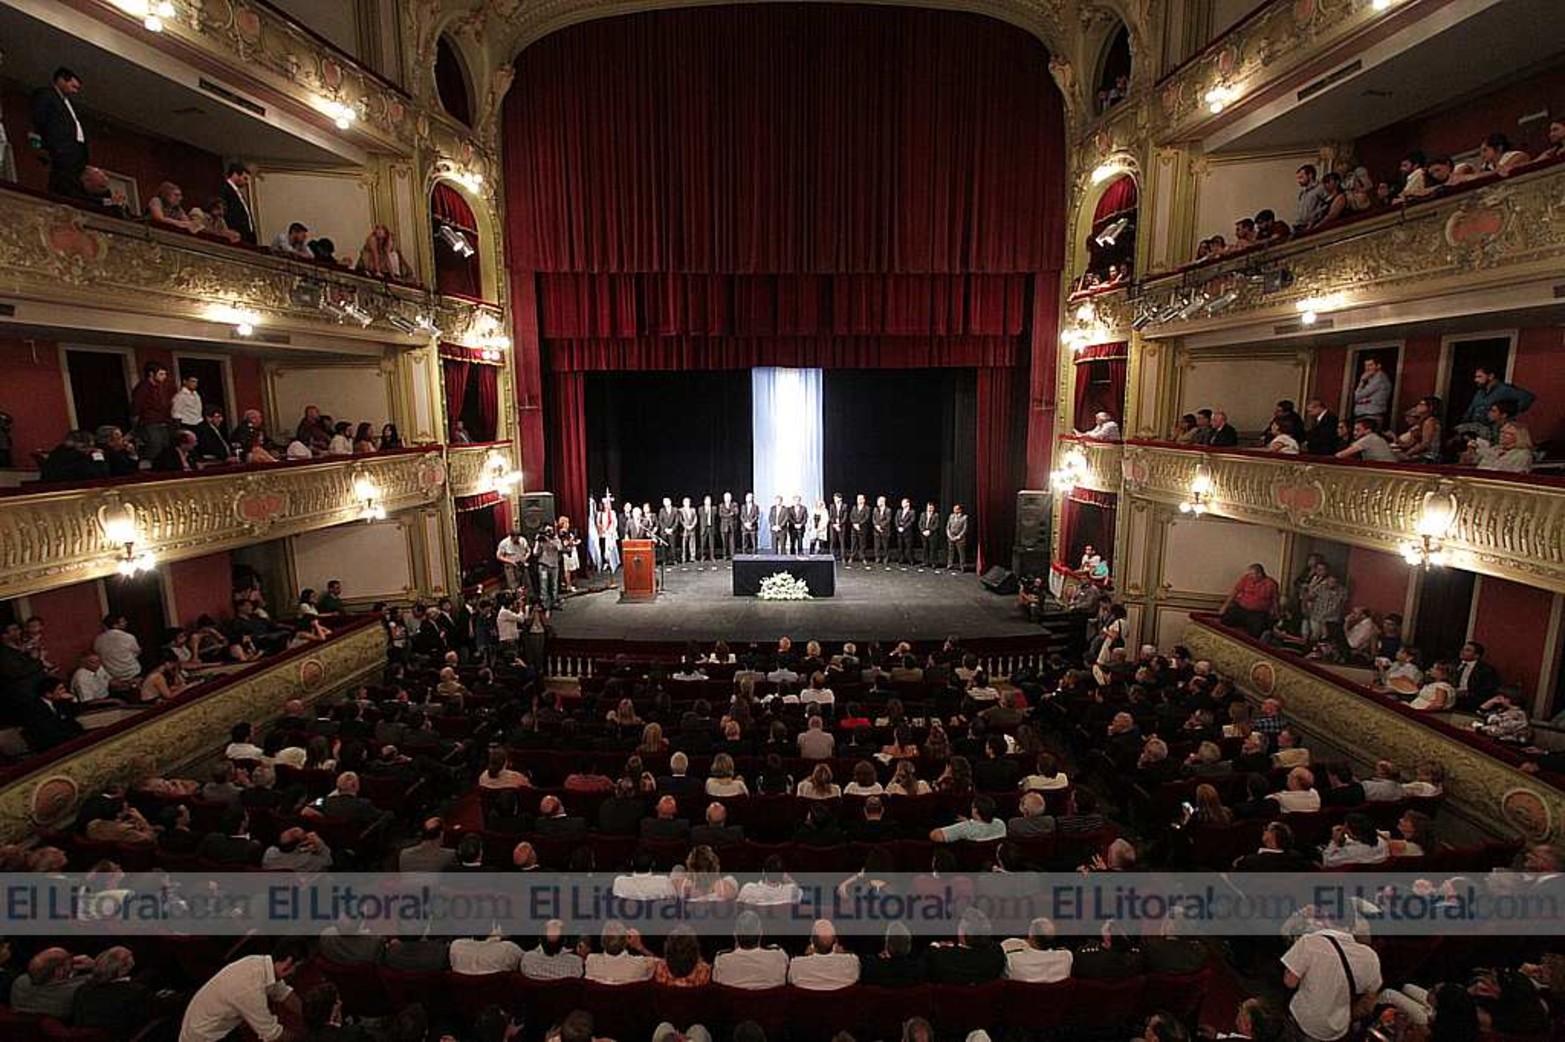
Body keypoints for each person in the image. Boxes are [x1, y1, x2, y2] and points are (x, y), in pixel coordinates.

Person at [177, 940, 309, 1042]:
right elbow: (273, 1035)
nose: (296, 972)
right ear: (288, 963)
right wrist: (308, 1037)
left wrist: (310, 1016)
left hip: (215, 1024)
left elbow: (284, 994)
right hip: (203, 1037)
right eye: (297, 967)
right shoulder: (250, 988)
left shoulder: (260, 964)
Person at [1280, 909, 1381, 1041]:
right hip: (1338, 1030)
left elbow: (1290, 982)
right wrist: (1349, 1016)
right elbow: (1368, 1004)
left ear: (1326, 920)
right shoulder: (1371, 957)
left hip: (1304, 1022)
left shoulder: (1309, 942)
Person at [32, 67, 89, 197]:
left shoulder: (69, 103)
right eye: (73, 86)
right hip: (60, 148)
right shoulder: (46, 94)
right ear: (61, 80)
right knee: (60, 181)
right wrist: (45, 144)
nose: (75, 91)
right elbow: (39, 118)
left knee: (73, 182)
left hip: (75, 151)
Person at [1219, 563, 1280, 638]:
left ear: (1259, 574)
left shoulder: (1271, 584)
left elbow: (1275, 600)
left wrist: (1276, 614)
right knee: (1226, 619)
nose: (1250, 576)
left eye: (1252, 574)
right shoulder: (1246, 579)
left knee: (1256, 631)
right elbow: (1235, 592)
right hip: (1242, 609)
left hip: (1257, 612)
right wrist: (1224, 607)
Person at [131, 361, 174, 462]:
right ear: (151, 374)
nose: (164, 377)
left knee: (165, 446)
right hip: (150, 422)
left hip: (163, 420)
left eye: (165, 374)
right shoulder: (143, 388)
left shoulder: (160, 387)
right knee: (155, 446)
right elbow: (137, 406)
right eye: (161, 374)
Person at [218, 162, 256, 244]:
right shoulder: (225, 189)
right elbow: (226, 212)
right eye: (245, 178)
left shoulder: (238, 192)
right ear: (235, 175)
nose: (246, 182)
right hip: (235, 234)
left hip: (246, 235)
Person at [1350, 357, 1392, 425]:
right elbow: (1356, 398)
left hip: (1372, 416)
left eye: (1370, 365)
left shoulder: (1380, 379)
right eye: (1366, 366)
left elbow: (1358, 395)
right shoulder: (1370, 379)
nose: (1367, 368)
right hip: (1365, 416)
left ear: (1378, 366)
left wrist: (1361, 381)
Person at [495, 525, 531, 594]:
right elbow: (499, 556)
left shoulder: (522, 540)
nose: (518, 539)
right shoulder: (504, 543)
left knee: (527, 584)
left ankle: (528, 598)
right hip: (511, 567)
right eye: (516, 538)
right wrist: (511, 562)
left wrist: (525, 558)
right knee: (514, 587)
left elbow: (528, 550)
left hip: (522, 565)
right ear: (511, 536)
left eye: (518, 537)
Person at [945, 504, 969, 571]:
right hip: (951, 536)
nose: (954, 510)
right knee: (950, 551)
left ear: (960, 510)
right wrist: (949, 535)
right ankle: (949, 564)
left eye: (956, 509)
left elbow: (965, 529)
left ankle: (962, 566)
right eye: (954, 509)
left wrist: (959, 536)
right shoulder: (951, 516)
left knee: (961, 553)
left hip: (960, 538)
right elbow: (948, 527)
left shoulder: (964, 517)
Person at [848, 493, 870, 562]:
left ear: (864, 500)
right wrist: (854, 524)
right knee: (853, 543)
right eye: (858, 499)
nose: (859, 500)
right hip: (854, 528)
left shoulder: (867, 508)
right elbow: (851, 516)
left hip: (862, 528)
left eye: (861, 499)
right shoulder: (854, 507)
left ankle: (862, 557)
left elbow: (866, 518)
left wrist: (859, 524)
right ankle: (852, 556)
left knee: (862, 543)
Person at [871, 495, 892, 563]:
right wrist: (876, 526)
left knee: (885, 545)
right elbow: (873, 519)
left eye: (879, 501)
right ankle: (877, 557)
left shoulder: (888, 510)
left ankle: (886, 557)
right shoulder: (875, 509)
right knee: (877, 545)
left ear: (883, 502)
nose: (878, 502)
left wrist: (880, 526)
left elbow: (888, 520)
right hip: (876, 530)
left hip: (885, 530)